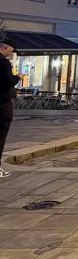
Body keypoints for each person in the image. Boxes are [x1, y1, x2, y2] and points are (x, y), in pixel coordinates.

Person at [0, 38, 19, 178]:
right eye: (10, 51)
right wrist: (17, 77)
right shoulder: (3, 63)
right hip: (2, 102)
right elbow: (7, 82)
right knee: (1, 134)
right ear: (5, 48)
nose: (10, 54)